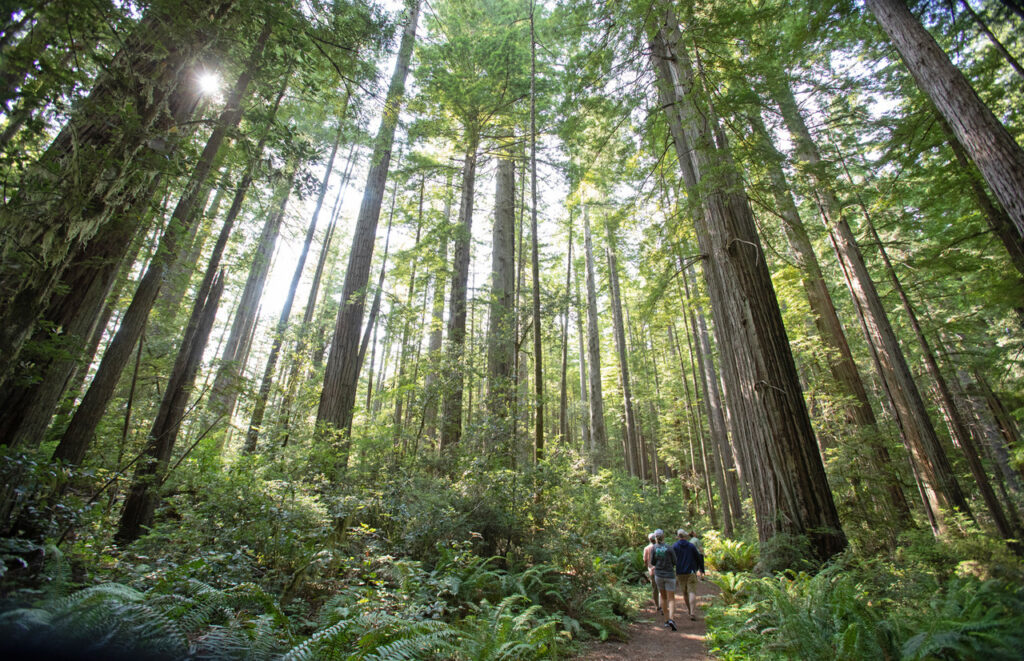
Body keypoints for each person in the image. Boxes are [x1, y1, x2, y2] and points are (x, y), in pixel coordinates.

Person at [651, 529, 678, 630]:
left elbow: (652, 562)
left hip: (659, 575)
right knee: (671, 598)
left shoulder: (654, 548)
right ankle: (672, 619)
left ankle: (666, 620)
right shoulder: (669, 548)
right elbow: (675, 561)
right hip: (669, 575)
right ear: (663, 536)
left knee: (663, 597)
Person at [673, 529, 700, 621]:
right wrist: (697, 568)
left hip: (680, 572)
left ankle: (689, 610)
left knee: (684, 593)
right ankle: (692, 612)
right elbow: (698, 557)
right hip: (691, 571)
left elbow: (673, 559)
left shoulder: (675, 546)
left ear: (678, 536)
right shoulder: (691, 546)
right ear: (685, 536)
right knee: (691, 591)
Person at [642, 532, 660, 612]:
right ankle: (662, 604)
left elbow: (645, 560)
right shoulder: (659, 547)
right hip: (660, 570)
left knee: (655, 588)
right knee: (661, 588)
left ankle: (657, 605)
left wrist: (648, 567)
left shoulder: (646, 548)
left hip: (652, 571)